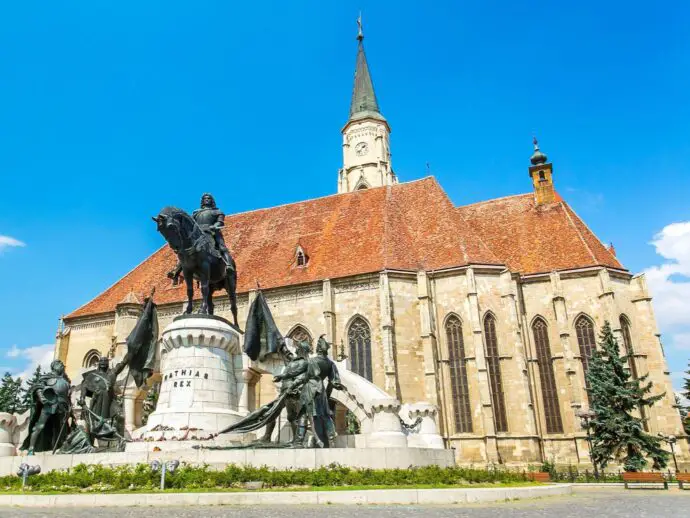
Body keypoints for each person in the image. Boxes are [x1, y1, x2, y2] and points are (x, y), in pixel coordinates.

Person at [21, 360, 72, 455]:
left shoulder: (65, 381)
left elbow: (68, 396)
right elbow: (38, 387)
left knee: (61, 428)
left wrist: (70, 408)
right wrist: (42, 397)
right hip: (50, 404)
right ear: (54, 366)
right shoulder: (47, 377)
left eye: (62, 365)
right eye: (60, 365)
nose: (62, 367)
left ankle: (59, 447)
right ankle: (31, 448)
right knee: (40, 426)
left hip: (62, 406)